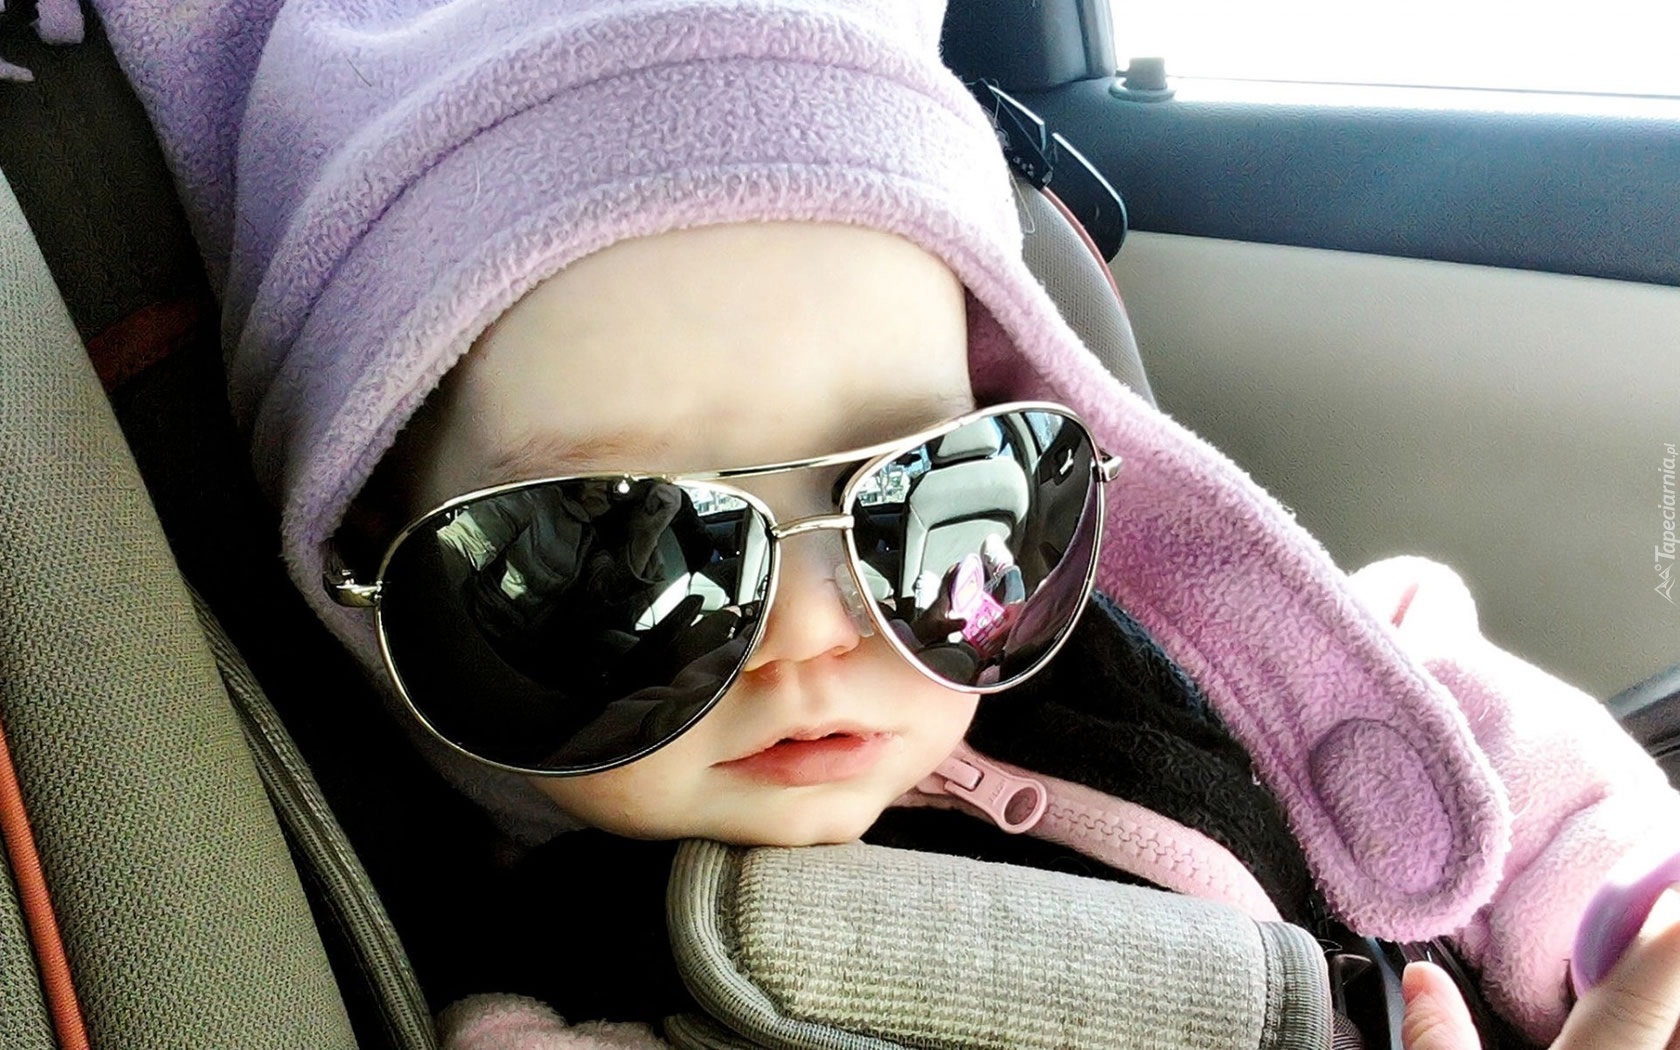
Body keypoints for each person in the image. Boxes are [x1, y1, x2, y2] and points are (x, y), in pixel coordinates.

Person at [82, 0, 1680, 1046]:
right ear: (381, 578)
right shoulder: (569, 997)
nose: (818, 628)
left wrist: (1623, 908)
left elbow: (1415, 685)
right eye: (628, 555)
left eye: (933, 495)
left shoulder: (1151, 650)